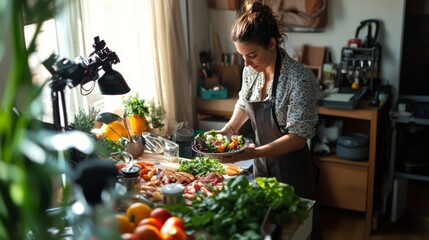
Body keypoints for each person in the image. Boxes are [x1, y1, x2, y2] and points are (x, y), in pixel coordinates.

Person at [215, 1, 323, 239]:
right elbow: (244, 103)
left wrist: (254, 152)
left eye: (252, 55)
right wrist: (226, 131)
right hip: (261, 170)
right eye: (242, 56)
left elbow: (297, 137)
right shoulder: (250, 72)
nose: (247, 63)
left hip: (292, 173)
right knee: (265, 231)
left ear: (272, 44)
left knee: (296, 232)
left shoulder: (299, 79)